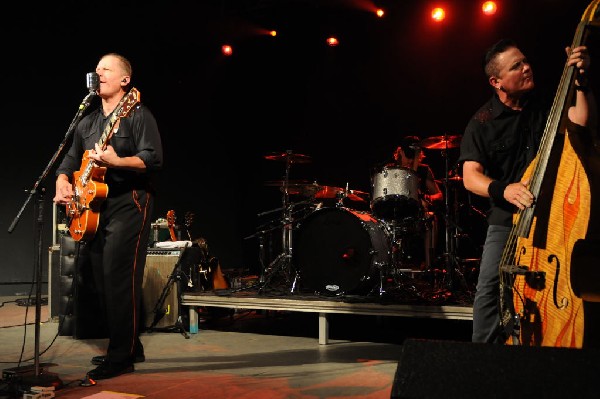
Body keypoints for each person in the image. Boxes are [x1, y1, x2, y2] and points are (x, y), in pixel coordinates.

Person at [458, 39, 594, 344]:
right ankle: (482, 361)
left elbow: (582, 123)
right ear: (497, 82)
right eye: (516, 66)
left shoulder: (547, 104)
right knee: (489, 289)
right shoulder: (482, 122)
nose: (526, 67)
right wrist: (503, 190)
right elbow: (470, 177)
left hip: (555, 215)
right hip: (508, 218)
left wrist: (582, 81)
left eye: (525, 61)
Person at [53, 53, 163, 379]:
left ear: (124, 80)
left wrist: (117, 162)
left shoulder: (137, 115)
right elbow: (68, 162)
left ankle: (120, 358)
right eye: (96, 69)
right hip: (96, 208)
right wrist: (62, 183)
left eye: (106, 69)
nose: (98, 73)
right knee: (102, 281)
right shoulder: (87, 122)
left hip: (130, 202)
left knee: (118, 276)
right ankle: (129, 344)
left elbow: (152, 159)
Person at [375, 135, 443, 270]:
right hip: (393, 212)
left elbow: (439, 195)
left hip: (416, 214)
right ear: (400, 152)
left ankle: (429, 268)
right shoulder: (391, 169)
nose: (411, 159)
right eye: (408, 155)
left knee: (432, 219)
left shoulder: (424, 170)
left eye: (414, 155)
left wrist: (427, 199)